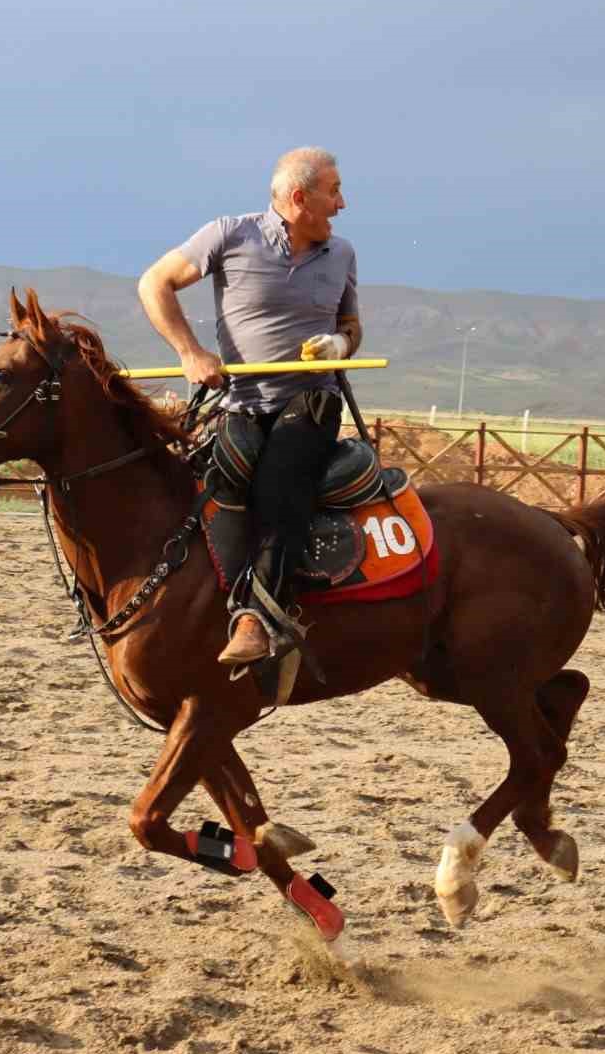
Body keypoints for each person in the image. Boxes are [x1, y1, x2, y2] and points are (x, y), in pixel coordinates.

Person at [137, 146, 362, 667]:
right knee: (222, 486)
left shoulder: (343, 254)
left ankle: (258, 620)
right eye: (335, 191)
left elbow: (352, 325)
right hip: (242, 399)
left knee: (281, 485)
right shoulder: (229, 234)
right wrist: (190, 353)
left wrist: (341, 346)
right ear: (299, 198)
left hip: (311, 398)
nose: (343, 203)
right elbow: (155, 283)